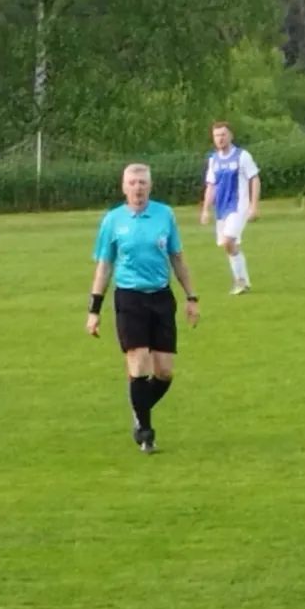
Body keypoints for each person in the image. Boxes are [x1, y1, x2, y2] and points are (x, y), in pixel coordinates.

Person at [85, 162, 200, 454]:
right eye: (133, 183)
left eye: (143, 183)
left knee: (164, 372)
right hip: (129, 298)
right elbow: (104, 266)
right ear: (124, 187)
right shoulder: (113, 220)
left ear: (150, 186)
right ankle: (146, 433)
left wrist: (191, 297)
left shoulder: (165, 215)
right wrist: (94, 310)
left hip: (161, 297)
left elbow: (177, 257)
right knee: (139, 365)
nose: (138, 188)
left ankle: (139, 407)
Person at [199, 122, 260, 295]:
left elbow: (254, 178)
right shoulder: (214, 160)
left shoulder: (242, 156)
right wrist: (205, 209)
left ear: (230, 136)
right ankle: (242, 281)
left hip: (238, 206)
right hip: (221, 208)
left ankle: (241, 282)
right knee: (230, 245)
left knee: (228, 241)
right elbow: (211, 186)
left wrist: (254, 205)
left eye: (223, 134)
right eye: (217, 135)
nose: (220, 138)